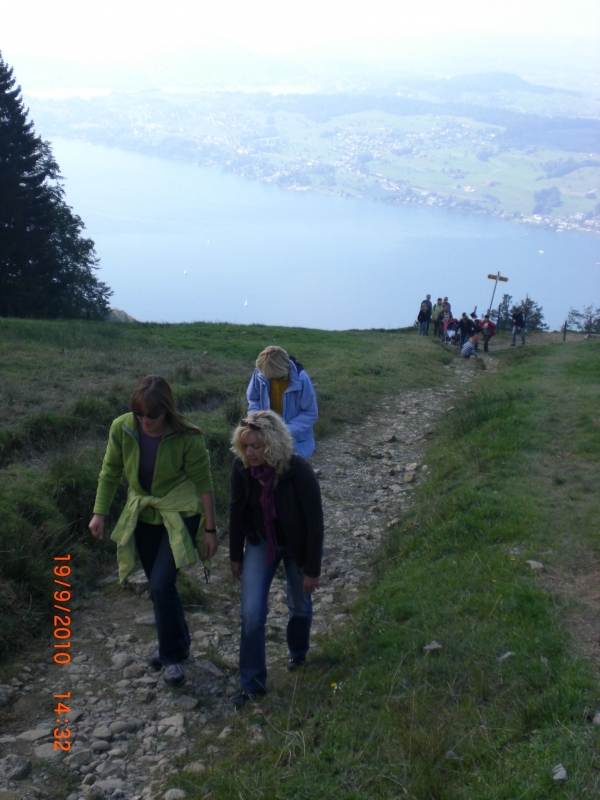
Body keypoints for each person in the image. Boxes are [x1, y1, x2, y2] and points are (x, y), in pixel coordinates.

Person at [88, 375, 218, 687]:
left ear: (167, 412)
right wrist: (99, 513)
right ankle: (180, 643)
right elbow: (110, 471)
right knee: (160, 586)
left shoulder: (188, 436)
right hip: (144, 511)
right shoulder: (123, 427)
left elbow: (204, 483)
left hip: (180, 510)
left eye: (152, 415)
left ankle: (171, 658)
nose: (145, 420)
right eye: (140, 414)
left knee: (160, 585)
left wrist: (210, 529)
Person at [229, 411, 324, 709]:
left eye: (257, 446)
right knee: (252, 614)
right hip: (260, 543)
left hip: (296, 546)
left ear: (273, 445)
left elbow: (314, 523)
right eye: (246, 446)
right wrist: (235, 556)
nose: (250, 453)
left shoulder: (298, 471)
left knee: (298, 603)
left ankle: (298, 652)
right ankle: (252, 684)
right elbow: (235, 512)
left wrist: (312, 570)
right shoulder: (241, 470)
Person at [247, 346, 318, 458]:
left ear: (282, 370)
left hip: (294, 441)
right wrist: (257, 420)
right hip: (265, 437)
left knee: (291, 473)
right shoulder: (260, 373)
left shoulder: (302, 379)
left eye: (273, 377)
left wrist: (283, 431)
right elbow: (253, 400)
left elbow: (310, 413)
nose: (269, 378)